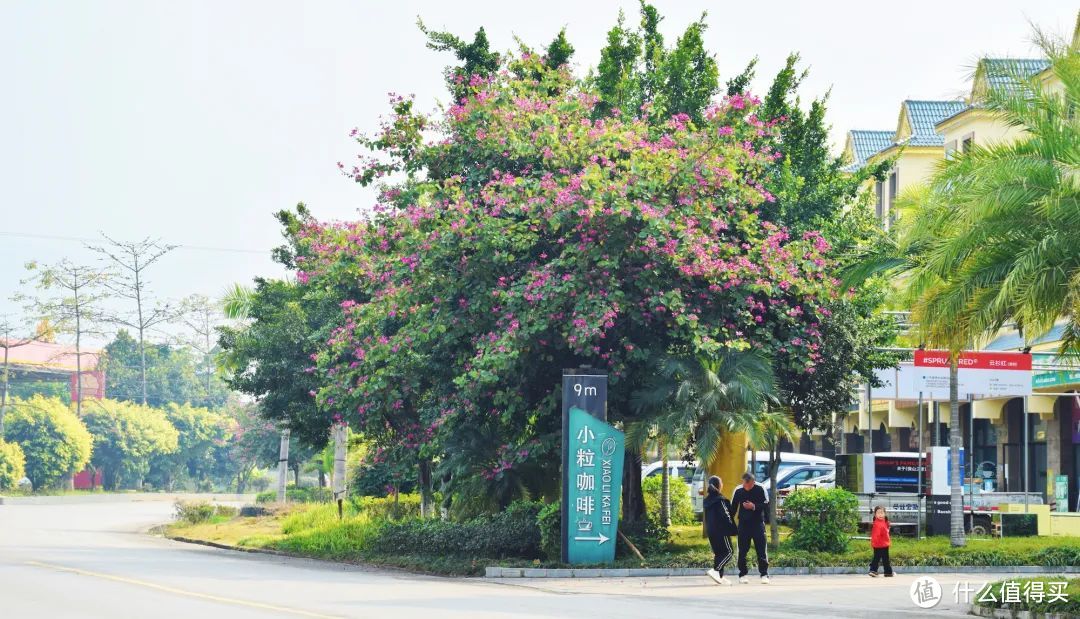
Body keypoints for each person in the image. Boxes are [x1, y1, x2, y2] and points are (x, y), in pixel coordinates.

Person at [730, 472, 769, 584]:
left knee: (761, 550)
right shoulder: (738, 490)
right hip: (743, 524)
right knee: (742, 550)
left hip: (758, 523)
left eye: (747, 485)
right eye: (743, 484)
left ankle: (764, 574)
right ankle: (742, 574)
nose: (745, 487)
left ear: (753, 482)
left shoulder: (761, 488)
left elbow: (766, 505)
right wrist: (728, 523)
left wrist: (754, 506)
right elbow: (732, 508)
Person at [703, 475, 736, 585]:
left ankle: (720, 577)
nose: (722, 484)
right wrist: (732, 528)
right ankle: (716, 570)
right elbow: (726, 515)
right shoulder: (720, 500)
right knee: (729, 551)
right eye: (721, 482)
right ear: (718, 485)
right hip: (721, 531)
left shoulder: (708, 500)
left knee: (719, 553)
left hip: (711, 531)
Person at [869, 506, 894, 577]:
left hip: (884, 544)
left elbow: (886, 531)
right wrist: (875, 543)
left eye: (882, 513)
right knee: (877, 558)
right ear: (875, 514)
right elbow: (876, 535)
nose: (880, 514)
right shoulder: (877, 523)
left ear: (885, 514)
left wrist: (888, 526)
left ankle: (888, 572)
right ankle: (873, 571)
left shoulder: (884, 522)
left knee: (885, 559)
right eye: (878, 513)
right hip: (879, 544)